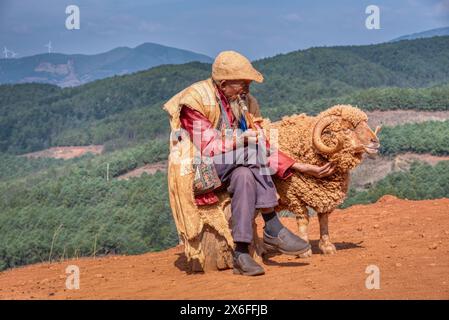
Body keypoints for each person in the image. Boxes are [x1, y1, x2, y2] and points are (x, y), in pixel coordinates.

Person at [165, 51, 335, 276]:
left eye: (248, 83)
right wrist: (241, 139)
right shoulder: (195, 101)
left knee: (245, 175)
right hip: (198, 171)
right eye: (242, 83)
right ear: (224, 84)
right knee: (249, 152)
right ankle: (272, 223)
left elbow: (261, 143)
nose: (247, 88)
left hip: (236, 164)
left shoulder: (246, 103)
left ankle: (241, 254)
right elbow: (209, 146)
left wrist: (297, 166)